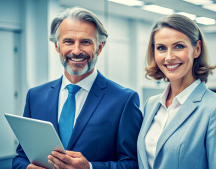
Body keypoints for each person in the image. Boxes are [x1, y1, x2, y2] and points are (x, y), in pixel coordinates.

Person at [13, 7, 143, 169]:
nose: (76, 51)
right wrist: (25, 168)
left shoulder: (124, 100)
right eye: (68, 41)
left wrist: (89, 167)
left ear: (99, 47)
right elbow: (21, 156)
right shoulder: (35, 96)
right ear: (57, 46)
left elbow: (133, 163)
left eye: (86, 42)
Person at [137, 14, 216, 169]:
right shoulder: (151, 104)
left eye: (179, 46)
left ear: (196, 49)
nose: (169, 57)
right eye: (161, 48)